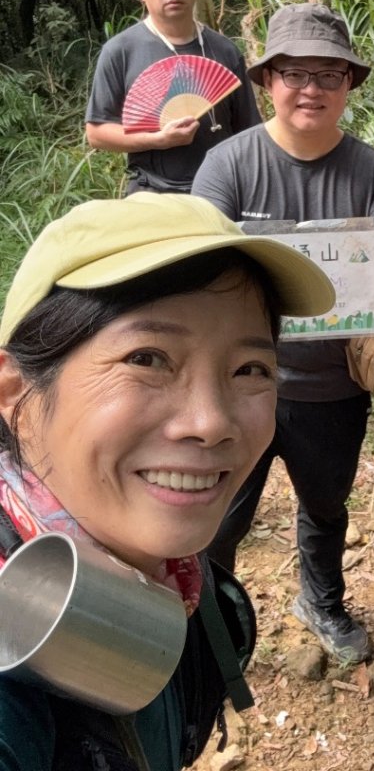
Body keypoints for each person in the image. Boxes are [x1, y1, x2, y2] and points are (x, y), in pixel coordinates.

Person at [0, 191, 334, 770]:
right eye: (147, 359)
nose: (211, 423)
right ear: (14, 393)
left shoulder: (165, 570)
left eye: (250, 369)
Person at [191, 3, 374, 665]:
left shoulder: (372, 170)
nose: (311, 88)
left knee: (325, 506)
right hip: (238, 386)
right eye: (294, 73)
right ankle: (208, 622)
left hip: (331, 386)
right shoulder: (228, 166)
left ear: (349, 84)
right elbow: (198, 261)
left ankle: (321, 601)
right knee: (219, 516)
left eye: (329, 74)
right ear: (268, 80)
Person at [85, 0, 261, 194]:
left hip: (221, 191)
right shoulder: (120, 51)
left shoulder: (225, 50)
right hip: (151, 192)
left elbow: (249, 131)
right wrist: (157, 140)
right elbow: (97, 133)